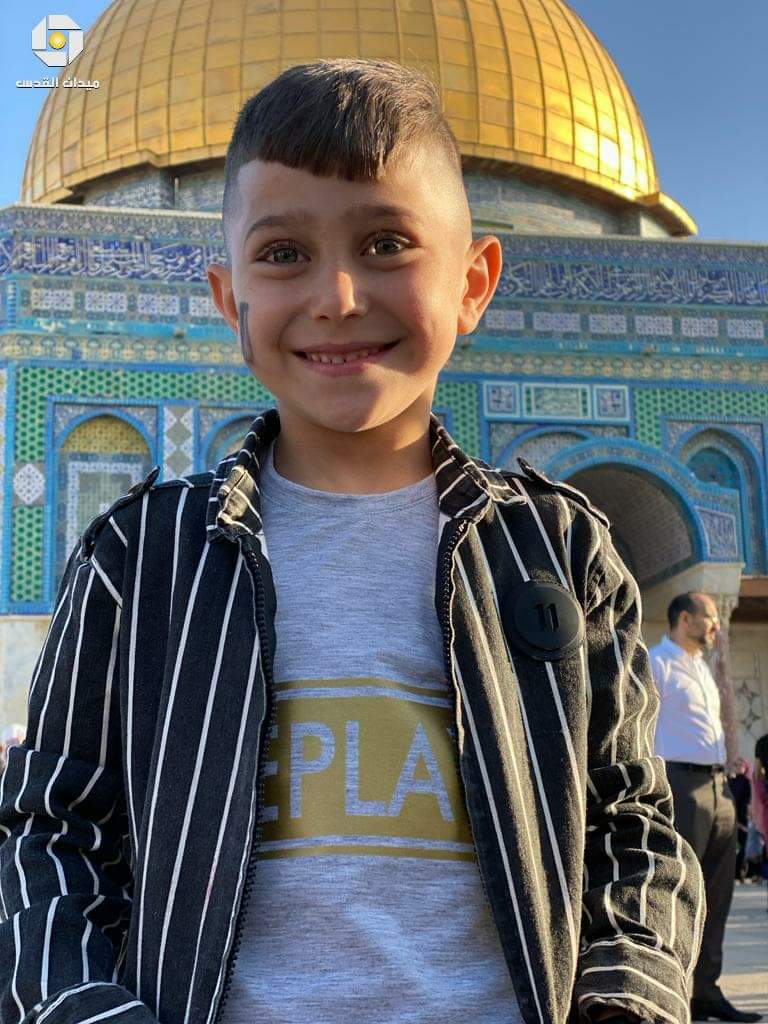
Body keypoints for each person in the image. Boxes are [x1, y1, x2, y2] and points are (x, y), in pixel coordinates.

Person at [0, 60, 704, 1024]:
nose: (337, 296)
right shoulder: (143, 561)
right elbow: (52, 831)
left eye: (385, 243)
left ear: (474, 282)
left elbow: (632, 827)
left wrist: (627, 1000)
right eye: (283, 254)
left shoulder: (559, 552)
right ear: (226, 298)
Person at [650, 592, 761, 1022]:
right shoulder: (657, 663)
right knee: (679, 892)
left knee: (718, 893)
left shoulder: (700, 668)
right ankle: (672, 989)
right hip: (681, 785)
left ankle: (707, 991)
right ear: (684, 619)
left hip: (719, 788)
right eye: (709, 618)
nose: (716, 625)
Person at [728, 758, 752, 881]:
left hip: (741, 818)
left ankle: (739, 873)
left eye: (741, 764)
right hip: (730, 816)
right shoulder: (730, 780)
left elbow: (746, 801)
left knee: (741, 846)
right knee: (731, 846)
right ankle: (732, 873)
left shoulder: (746, 781)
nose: (738, 767)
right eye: (736, 764)